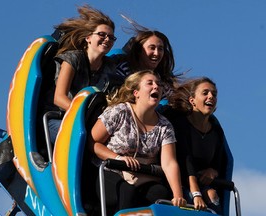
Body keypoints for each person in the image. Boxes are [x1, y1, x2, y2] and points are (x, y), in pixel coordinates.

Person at [88, 70, 186, 214]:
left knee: (160, 193)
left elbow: (169, 163)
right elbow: (92, 142)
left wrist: (178, 195)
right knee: (126, 190)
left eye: (158, 84)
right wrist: (118, 158)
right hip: (112, 171)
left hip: (141, 177)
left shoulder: (165, 126)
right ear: (136, 93)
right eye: (150, 83)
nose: (156, 87)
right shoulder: (119, 112)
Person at [41, 5, 119, 143]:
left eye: (111, 38)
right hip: (57, 118)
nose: (107, 39)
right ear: (88, 38)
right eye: (102, 34)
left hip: (87, 122)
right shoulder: (73, 58)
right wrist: (84, 115)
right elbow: (59, 98)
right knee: (80, 136)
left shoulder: (110, 67)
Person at [163, 77, 225, 214]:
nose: (211, 97)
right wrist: (196, 193)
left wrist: (213, 171)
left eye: (214, 94)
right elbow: (186, 161)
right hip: (179, 181)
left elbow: (219, 162)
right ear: (192, 101)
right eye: (205, 93)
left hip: (201, 183)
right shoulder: (181, 124)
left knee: (212, 195)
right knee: (190, 198)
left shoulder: (216, 129)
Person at [111, 18, 178, 98]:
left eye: (160, 49)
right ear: (139, 50)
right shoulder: (124, 70)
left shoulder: (164, 82)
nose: (156, 53)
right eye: (152, 48)